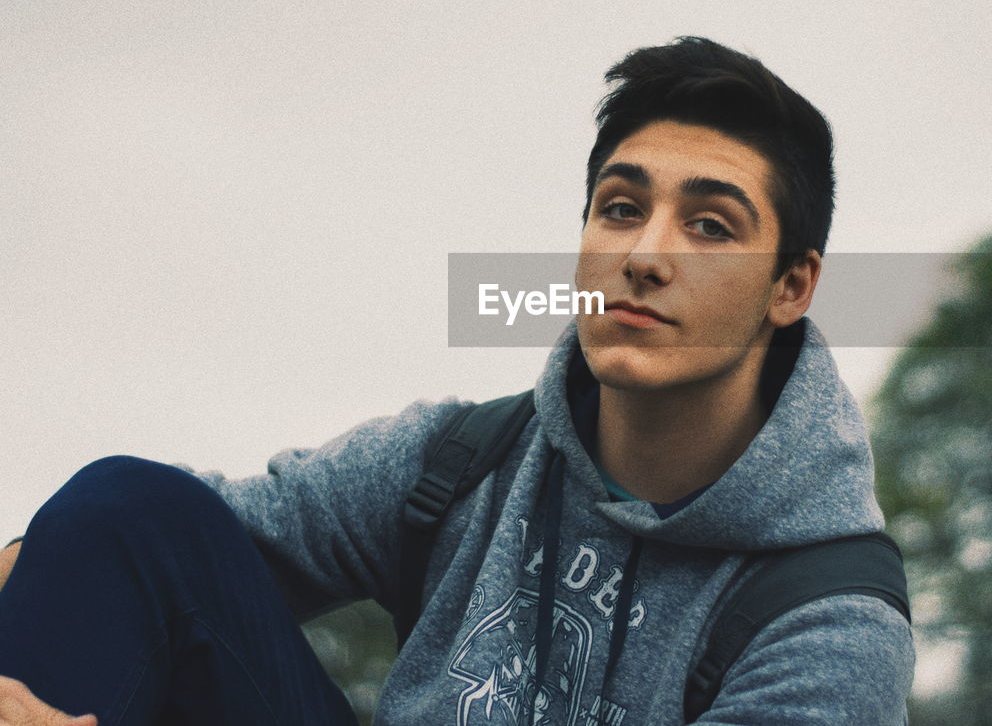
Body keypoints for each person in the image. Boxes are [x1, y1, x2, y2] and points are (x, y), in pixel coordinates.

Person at [0, 37, 914, 725]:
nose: (644, 255)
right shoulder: (463, 463)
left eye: (711, 226)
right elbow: (116, 554)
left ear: (791, 284)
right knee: (127, 507)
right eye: (622, 208)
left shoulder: (827, 621)